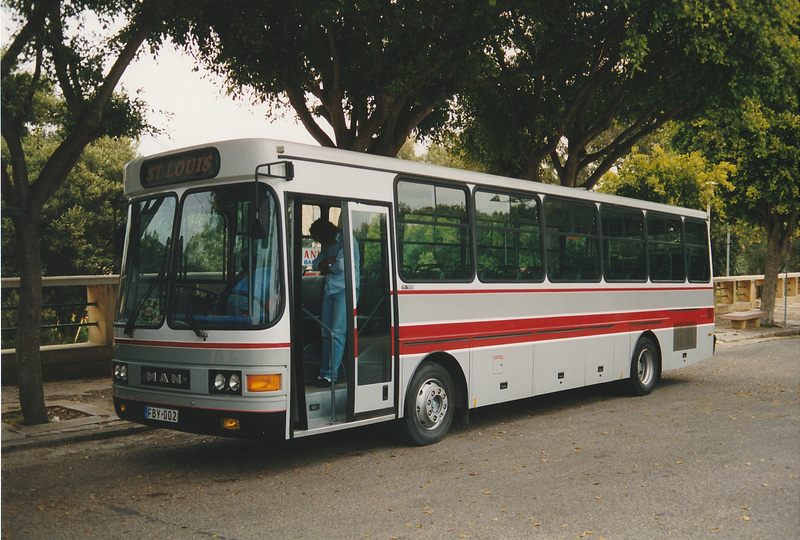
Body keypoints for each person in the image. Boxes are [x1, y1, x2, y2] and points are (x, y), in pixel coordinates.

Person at [309, 218, 358, 387]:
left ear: (325, 233)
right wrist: (328, 262)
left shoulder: (347, 240)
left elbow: (341, 267)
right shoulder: (328, 244)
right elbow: (316, 265)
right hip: (331, 290)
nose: (320, 243)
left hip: (345, 290)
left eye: (319, 239)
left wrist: (328, 264)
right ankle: (324, 372)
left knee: (337, 333)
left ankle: (331, 375)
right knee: (326, 333)